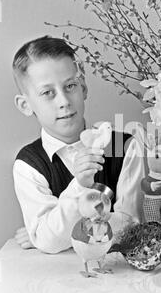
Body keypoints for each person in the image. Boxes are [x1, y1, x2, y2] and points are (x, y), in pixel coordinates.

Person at [13, 35, 144, 253]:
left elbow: (129, 228)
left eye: (70, 86)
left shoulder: (126, 146)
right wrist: (80, 185)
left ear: (83, 88)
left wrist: (54, 230)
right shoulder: (28, 166)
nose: (63, 101)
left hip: (120, 275)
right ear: (26, 105)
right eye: (47, 93)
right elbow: (48, 242)